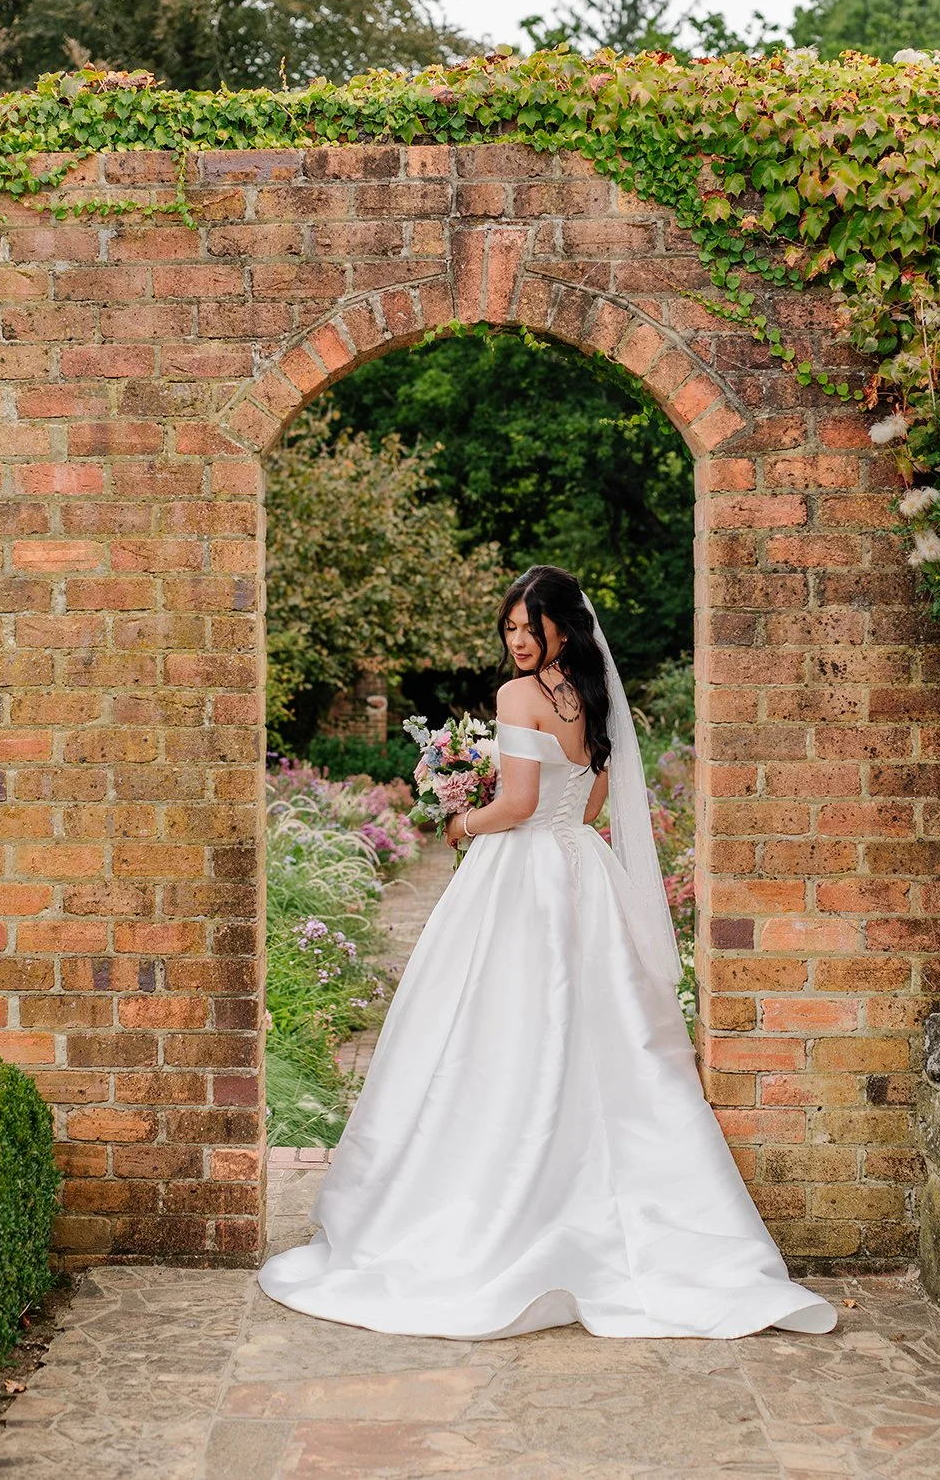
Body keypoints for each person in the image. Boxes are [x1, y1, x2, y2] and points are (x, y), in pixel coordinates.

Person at [258, 565, 837, 1339]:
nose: (519, 640)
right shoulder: (591, 694)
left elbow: (520, 803)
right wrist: (528, 810)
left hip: (523, 872)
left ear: (562, 623)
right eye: (510, 629)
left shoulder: (513, 695)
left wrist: (462, 822)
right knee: (602, 1031)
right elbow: (591, 798)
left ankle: (501, 1195)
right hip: (581, 868)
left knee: (498, 1027)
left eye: (530, 627)